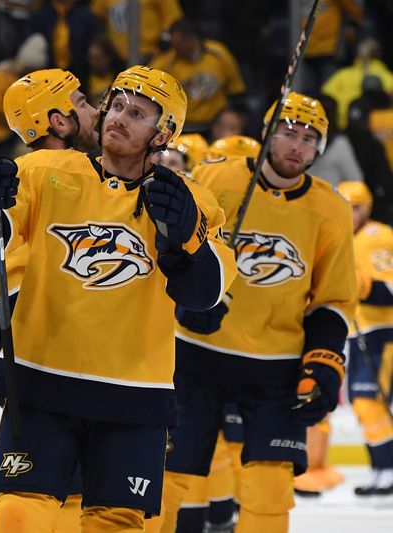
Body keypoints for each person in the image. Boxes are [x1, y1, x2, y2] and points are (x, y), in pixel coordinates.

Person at [0, 65, 237, 532]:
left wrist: (188, 238)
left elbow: (204, 295)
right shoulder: (42, 172)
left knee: (117, 525)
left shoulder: (193, 202)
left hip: (135, 396)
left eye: (138, 113)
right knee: (18, 515)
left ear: (163, 134)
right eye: (117, 105)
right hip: (42, 384)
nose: (119, 117)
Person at [146, 92, 357, 533]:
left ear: (319, 149)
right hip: (196, 354)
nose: (297, 144)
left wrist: (324, 360)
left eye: (308, 138)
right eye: (287, 132)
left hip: (275, 364)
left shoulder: (331, 209)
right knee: (170, 476)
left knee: (270, 488)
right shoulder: (213, 177)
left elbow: (332, 298)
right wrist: (188, 298)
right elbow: (169, 251)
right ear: (266, 134)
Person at [0, 67, 100, 533]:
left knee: (40, 498)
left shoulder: (20, 176)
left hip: (40, 369)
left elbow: (1, 284)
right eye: (83, 101)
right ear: (60, 120)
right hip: (75, 370)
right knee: (65, 503)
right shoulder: (47, 174)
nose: (95, 111)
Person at [338, 180, 393, 496]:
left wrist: (359, 285)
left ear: (368, 208)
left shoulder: (377, 237)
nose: (350, 213)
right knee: (364, 405)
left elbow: (388, 289)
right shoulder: (345, 237)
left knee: (370, 403)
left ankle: (387, 468)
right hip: (358, 330)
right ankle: (381, 470)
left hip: (381, 332)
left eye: (355, 207)